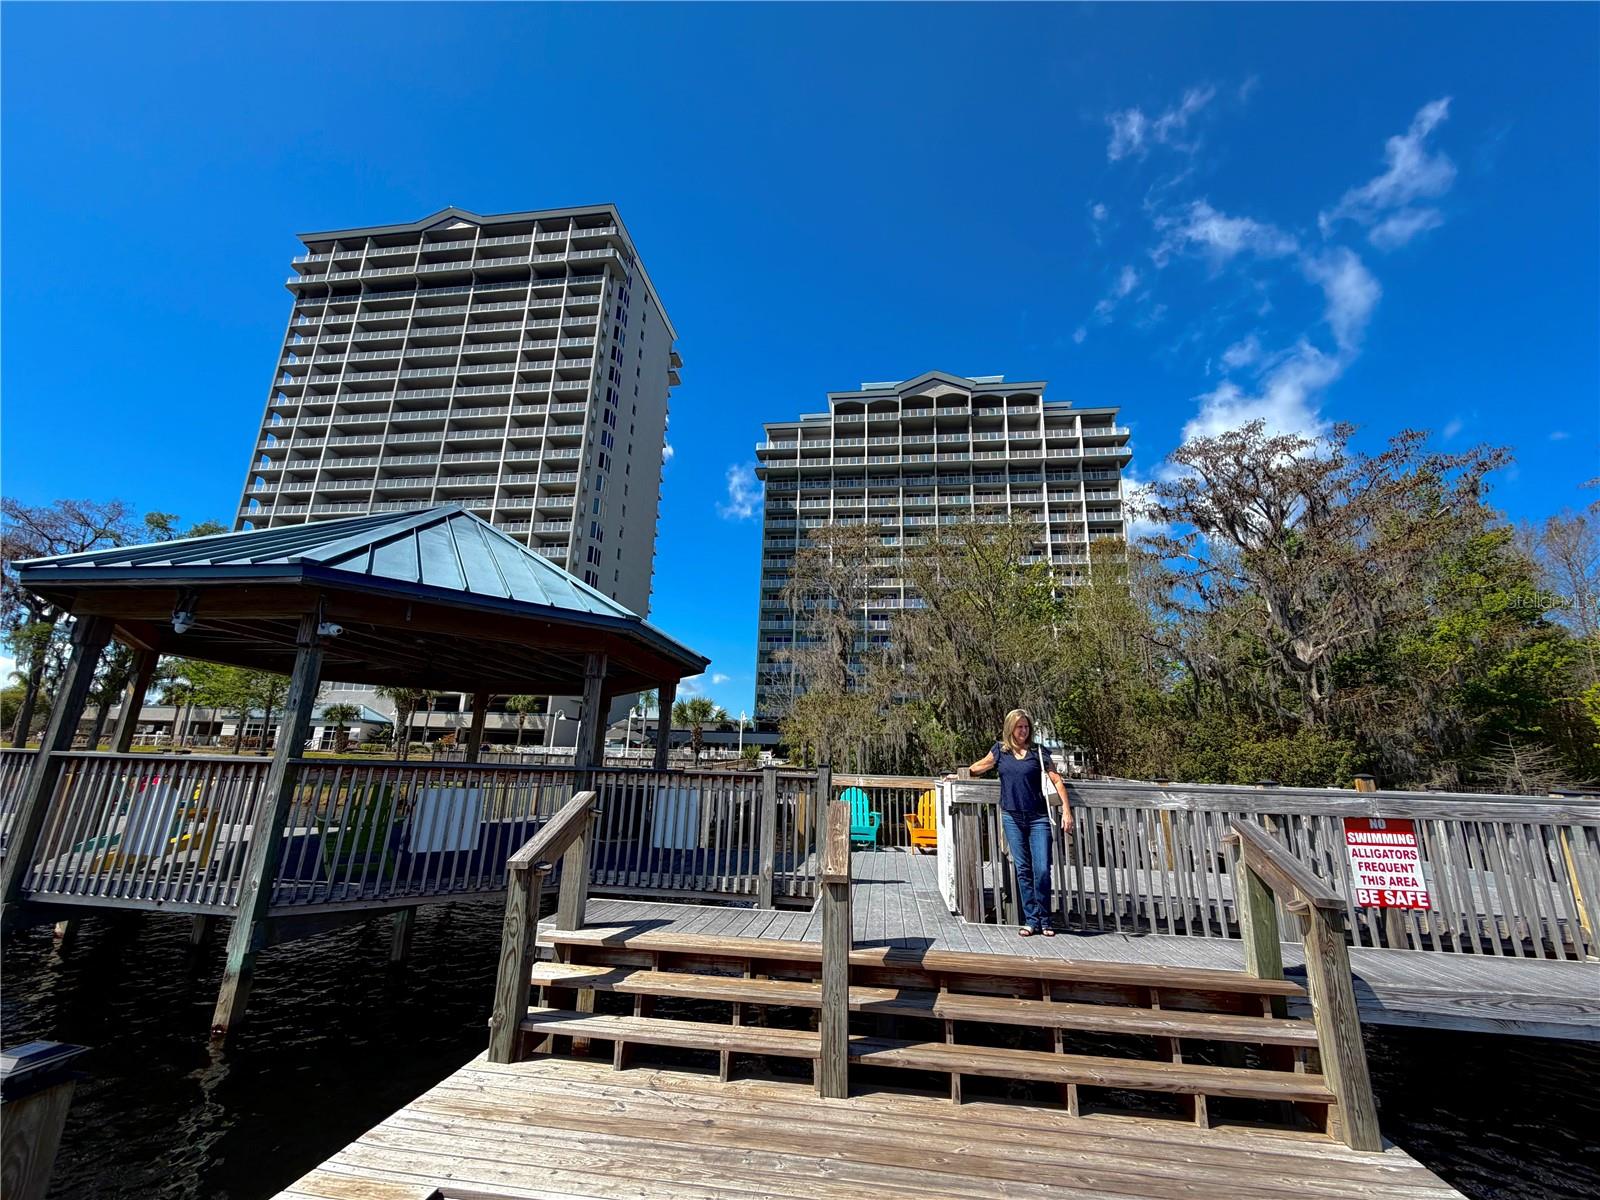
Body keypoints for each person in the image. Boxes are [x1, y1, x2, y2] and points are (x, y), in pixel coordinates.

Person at [946, 709, 1072, 936]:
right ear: (1010, 728)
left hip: (1039, 817)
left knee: (1042, 869)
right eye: (1019, 727)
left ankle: (1046, 919)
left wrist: (1066, 811)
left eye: (1026, 727)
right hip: (1012, 817)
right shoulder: (1001, 751)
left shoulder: (1038, 752)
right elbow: (980, 766)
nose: (1023, 730)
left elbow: (1056, 780)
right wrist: (960, 775)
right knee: (1023, 869)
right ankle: (1032, 920)